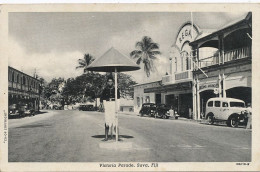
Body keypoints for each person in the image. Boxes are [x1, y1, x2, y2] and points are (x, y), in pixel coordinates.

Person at [100, 76, 120, 141]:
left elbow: (118, 99)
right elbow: (102, 98)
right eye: (109, 81)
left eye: (111, 81)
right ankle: (106, 137)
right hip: (107, 104)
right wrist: (103, 106)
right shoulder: (105, 90)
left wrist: (117, 107)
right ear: (107, 82)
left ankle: (117, 137)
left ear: (113, 82)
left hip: (114, 104)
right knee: (107, 120)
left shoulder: (116, 89)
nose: (110, 83)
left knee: (115, 120)